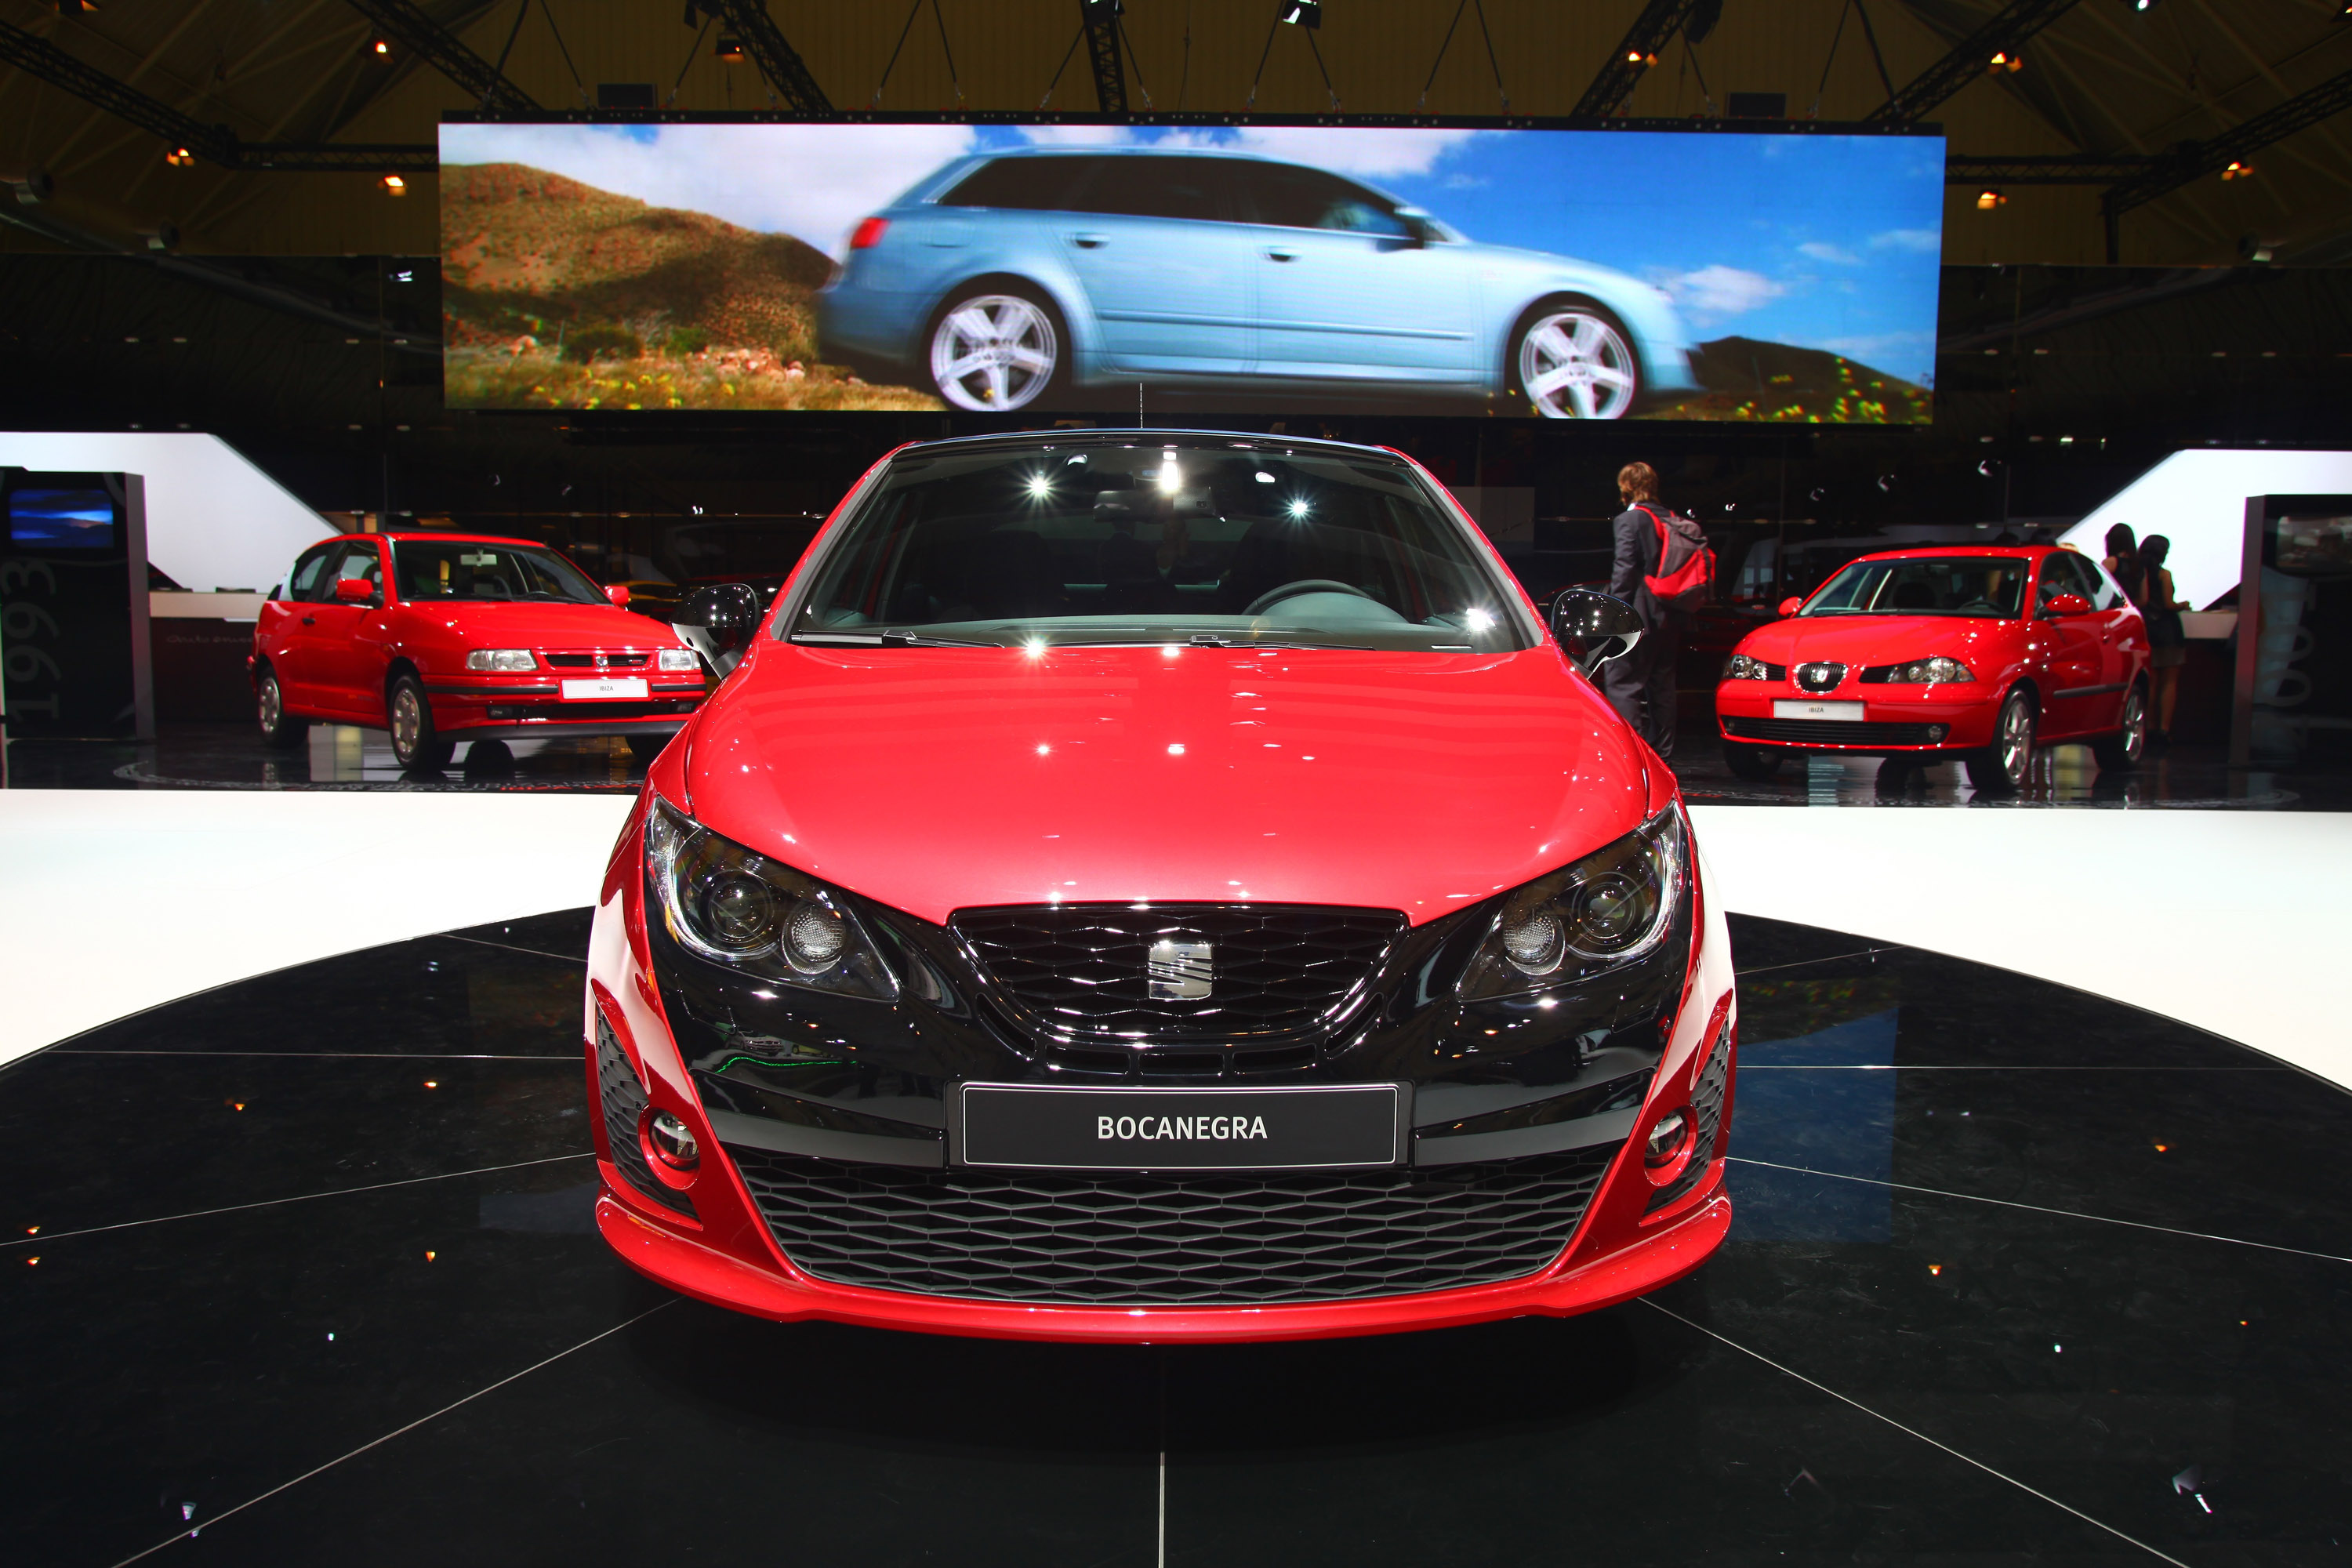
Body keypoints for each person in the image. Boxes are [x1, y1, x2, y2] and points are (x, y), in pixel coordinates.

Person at [1605, 461, 1682, 761]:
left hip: (1638, 613)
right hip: (1669, 612)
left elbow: (1624, 569)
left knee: (1623, 681)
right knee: (1662, 685)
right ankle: (1662, 755)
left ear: (1625, 486)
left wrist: (1616, 611)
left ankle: (1632, 755)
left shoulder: (1631, 520)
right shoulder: (1671, 518)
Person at [2139, 533, 2188, 746]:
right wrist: (2183, 605)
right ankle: (2163, 730)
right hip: (2168, 631)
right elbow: (2169, 603)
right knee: (2169, 683)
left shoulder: (2139, 574)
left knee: (2150, 683)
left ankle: (2147, 728)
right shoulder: (2164, 574)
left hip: (2147, 630)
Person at [2103, 523, 2143, 605]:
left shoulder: (2110, 562)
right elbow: (2143, 599)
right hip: (2133, 611)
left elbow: (2100, 590)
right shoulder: (2139, 564)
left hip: (2114, 608)